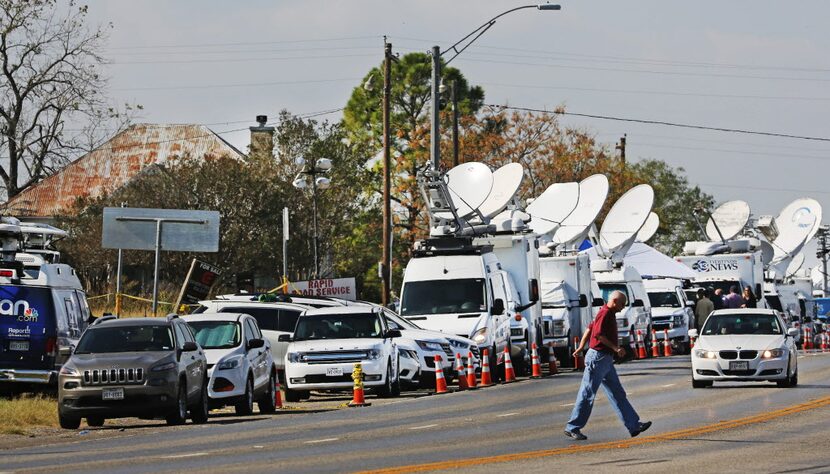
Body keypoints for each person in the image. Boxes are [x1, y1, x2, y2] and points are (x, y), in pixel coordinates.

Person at [564, 291, 651, 441]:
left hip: (605, 359)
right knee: (587, 393)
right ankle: (573, 427)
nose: (623, 308)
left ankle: (634, 425)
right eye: (622, 304)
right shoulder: (605, 313)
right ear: (615, 301)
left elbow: (589, 329)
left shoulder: (607, 313)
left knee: (617, 393)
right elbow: (598, 335)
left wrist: (581, 347)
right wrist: (616, 348)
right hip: (598, 358)